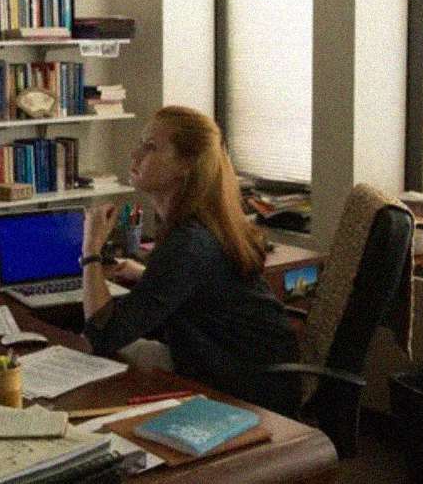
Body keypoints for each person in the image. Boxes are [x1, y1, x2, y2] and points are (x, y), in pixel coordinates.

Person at [81, 105, 300, 414]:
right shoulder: (199, 225)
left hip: (246, 386)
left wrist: (91, 249)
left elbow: (102, 334)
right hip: (227, 361)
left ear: (185, 166)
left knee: (98, 356)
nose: (135, 154)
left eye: (151, 147)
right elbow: (202, 289)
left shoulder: (189, 241)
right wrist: (146, 276)